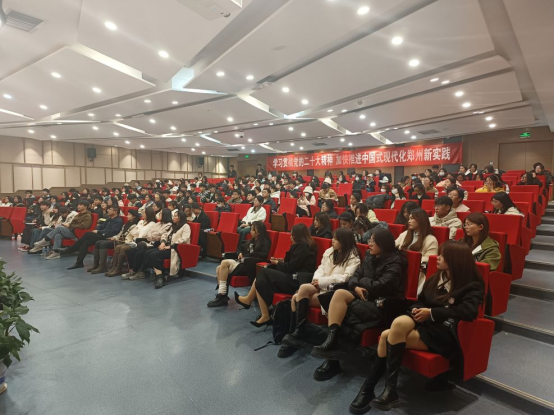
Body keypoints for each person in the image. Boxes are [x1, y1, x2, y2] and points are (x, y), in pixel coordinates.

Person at [351, 241, 485, 412]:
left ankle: (370, 389)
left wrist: (432, 313)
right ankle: (386, 391)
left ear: (455, 260)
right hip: (423, 321)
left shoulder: (471, 285)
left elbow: (468, 312)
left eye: (443, 255)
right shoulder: (436, 277)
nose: (437, 258)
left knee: (385, 336)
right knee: (398, 323)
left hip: (441, 332)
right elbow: (420, 300)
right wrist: (417, 310)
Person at [308, 229, 406, 375]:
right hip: (364, 297)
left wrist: (362, 282)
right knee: (338, 295)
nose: (369, 244)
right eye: (370, 240)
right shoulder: (369, 256)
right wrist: (356, 287)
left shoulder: (395, 262)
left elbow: (381, 286)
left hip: (381, 305)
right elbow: (355, 277)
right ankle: (331, 343)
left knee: (338, 308)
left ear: (383, 244)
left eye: (373, 241)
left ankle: (331, 354)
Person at [279, 229, 360, 358]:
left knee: (295, 298)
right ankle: (299, 331)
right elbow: (321, 268)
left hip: (331, 290)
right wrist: (316, 280)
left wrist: (322, 281)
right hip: (320, 284)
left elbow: (345, 278)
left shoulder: (353, 258)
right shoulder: (329, 252)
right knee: (303, 288)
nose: (332, 240)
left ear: (344, 241)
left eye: (336, 239)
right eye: (333, 237)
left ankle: (296, 334)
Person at [235, 224, 318, 327]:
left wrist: (278, 263)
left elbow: (291, 267)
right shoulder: (300, 246)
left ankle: (253, 304)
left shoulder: (303, 247)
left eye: (292, 235)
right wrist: (280, 261)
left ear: (298, 236)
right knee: (262, 277)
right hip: (292, 276)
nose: (290, 237)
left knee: (263, 273)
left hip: (296, 281)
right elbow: (292, 264)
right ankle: (262, 312)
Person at [208, 221, 272, 308]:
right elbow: (240, 247)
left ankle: (222, 296)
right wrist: (240, 253)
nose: (250, 231)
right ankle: (222, 295)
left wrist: (247, 256)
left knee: (224, 263)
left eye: (253, 230)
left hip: (249, 265)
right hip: (242, 262)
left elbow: (263, 255)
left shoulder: (265, 242)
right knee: (219, 268)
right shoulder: (251, 240)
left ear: (259, 232)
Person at [139, 211, 191, 289]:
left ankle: (159, 277)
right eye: (173, 216)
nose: (173, 217)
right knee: (148, 253)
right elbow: (165, 235)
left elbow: (184, 239)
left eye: (176, 216)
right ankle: (158, 274)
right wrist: (163, 242)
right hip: (166, 246)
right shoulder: (173, 226)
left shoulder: (185, 226)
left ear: (181, 217)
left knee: (154, 255)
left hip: (176, 249)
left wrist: (171, 246)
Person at [61, 206, 124, 270]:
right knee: (86, 242)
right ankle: (79, 262)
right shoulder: (109, 219)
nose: (107, 210)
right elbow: (101, 226)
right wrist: (96, 230)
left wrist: (98, 231)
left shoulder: (118, 221)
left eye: (110, 209)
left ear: (115, 211)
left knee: (88, 234)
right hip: (101, 235)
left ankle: (71, 249)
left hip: (108, 237)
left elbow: (112, 231)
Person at [396, 209, 439, 294]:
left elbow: (430, 260)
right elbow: (394, 246)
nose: (409, 221)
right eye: (409, 218)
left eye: (412, 218)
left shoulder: (430, 239)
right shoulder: (405, 234)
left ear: (420, 220)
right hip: (399, 266)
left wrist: (410, 260)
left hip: (416, 271)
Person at [85, 209, 141, 275]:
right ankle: (96, 265)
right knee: (98, 243)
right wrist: (114, 237)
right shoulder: (126, 224)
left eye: (129, 215)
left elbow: (127, 235)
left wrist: (116, 238)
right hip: (118, 239)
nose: (127, 216)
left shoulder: (135, 225)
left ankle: (104, 266)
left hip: (124, 241)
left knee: (103, 244)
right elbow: (120, 233)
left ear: (134, 216)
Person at [123, 209, 173, 280]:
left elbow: (161, 236)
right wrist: (154, 235)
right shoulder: (157, 224)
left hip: (157, 244)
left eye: (161, 213)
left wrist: (154, 235)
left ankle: (138, 272)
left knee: (140, 253)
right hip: (150, 242)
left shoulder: (169, 225)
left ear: (165, 215)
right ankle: (132, 271)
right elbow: (149, 234)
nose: (159, 215)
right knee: (130, 251)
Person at [107, 208, 157, 277]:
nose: (142, 214)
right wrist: (137, 232)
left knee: (123, 248)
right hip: (133, 240)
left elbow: (142, 234)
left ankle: (118, 269)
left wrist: (138, 231)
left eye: (144, 213)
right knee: (118, 247)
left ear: (148, 214)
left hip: (142, 242)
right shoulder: (141, 222)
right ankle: (114, 268)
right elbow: (133, 232)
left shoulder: (152, 224)